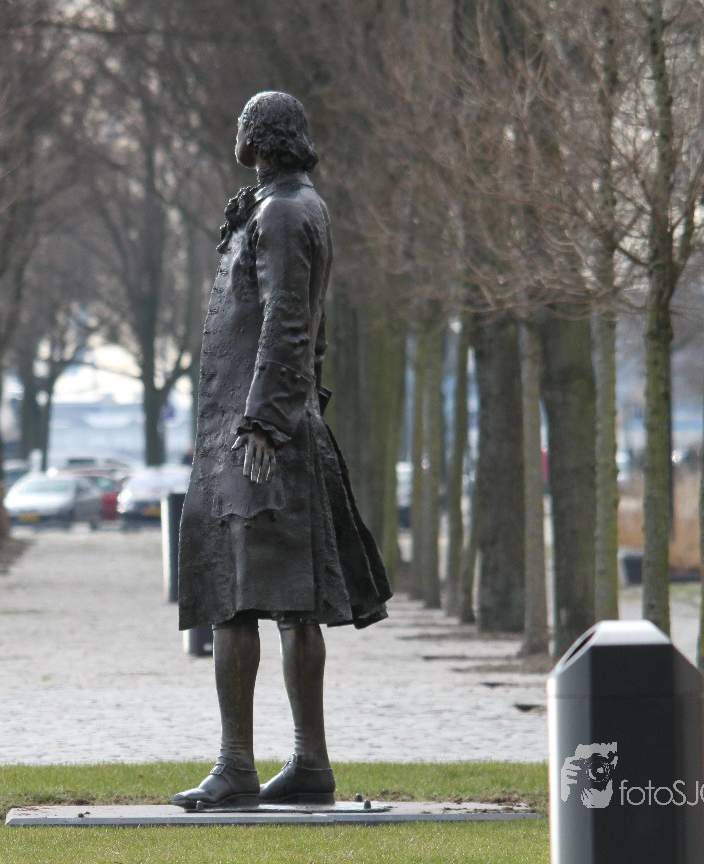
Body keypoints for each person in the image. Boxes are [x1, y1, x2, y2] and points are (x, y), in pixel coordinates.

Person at [172, 91, 391, 810]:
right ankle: (308, 763)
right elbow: (307, 331)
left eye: (241, 124)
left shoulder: (286, 212)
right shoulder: (291, 206)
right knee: (291, 603)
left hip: (260, 435)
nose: (233, 134)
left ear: (259, 137)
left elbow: (290, 322)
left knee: (237, 600)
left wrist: (264, 423)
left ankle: (240, 765)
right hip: (272, 424)